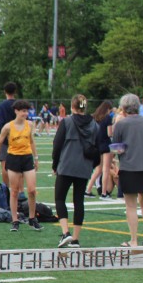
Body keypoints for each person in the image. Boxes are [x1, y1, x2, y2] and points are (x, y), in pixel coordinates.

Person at [51, 95, 97, 248]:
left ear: (72, 106)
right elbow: (98, 147)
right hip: (84, 166)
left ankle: (66, 232)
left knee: (59, 198)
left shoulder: (67, 122)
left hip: (66, 165)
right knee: (79, 201)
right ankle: (76, 238)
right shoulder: (94, 124)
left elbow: (57, 144)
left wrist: (55, 164)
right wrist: (92, 164)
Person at [112, 93, 143, 247]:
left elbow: (116, 148)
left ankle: (133, 240)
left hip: (130, 167)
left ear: (124, 108)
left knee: (131, 205)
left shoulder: (121, 124)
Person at [0, 99, 42, 232]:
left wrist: (36, 158)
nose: (25, 114)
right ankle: (15, 220)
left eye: (27, 111)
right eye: (23, 111)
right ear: (16, 111)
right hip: (13, 158)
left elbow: (31, 141)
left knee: (32, 190)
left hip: (27, 158)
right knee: (14, 191)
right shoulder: (8, 127)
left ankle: (32, 218)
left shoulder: (29, 124)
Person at [0, 82, 19, 185]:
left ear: (5, 92)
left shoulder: (2, 106)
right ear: (15, 91)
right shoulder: (19, 105)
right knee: (18, 166)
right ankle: (18, 189)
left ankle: (6, 188)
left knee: (5, 165)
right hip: (19, 138)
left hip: (5, 139)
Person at [85, 101, 115, 199]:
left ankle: (88, 189)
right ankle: (104, 193)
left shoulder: (95, 117)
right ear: (108, 109)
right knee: (105, 169)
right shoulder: (108, 118)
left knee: (98, 169)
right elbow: (109, 133)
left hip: (97, 144)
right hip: (106, 145)